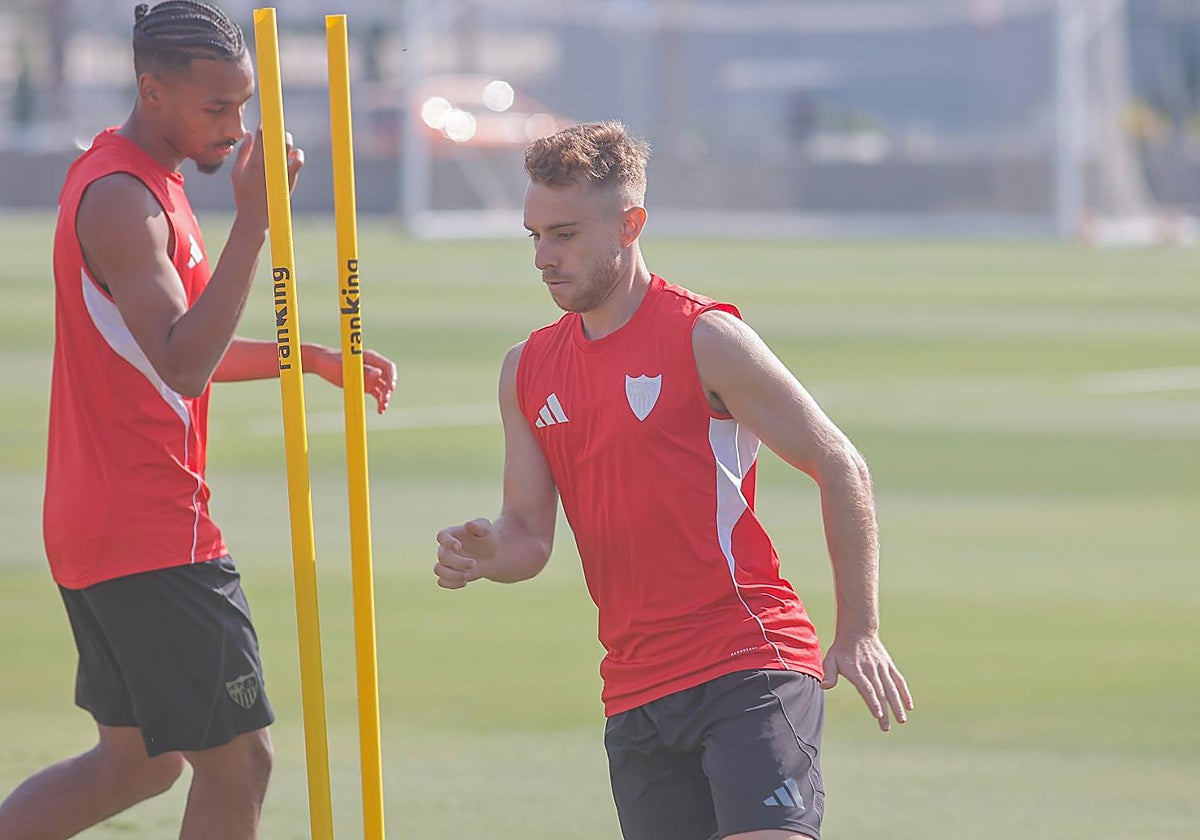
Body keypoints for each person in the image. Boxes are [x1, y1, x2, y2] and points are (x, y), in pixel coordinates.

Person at [434, 121, 912, 840]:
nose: (542, 257)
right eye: (533, 236)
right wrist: (487, 552)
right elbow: (529, 535)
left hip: (748, 661)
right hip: (635, 693)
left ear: (630, 225)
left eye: (563, 234)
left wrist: (860, 629)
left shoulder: (704, 338)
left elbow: (837, 462)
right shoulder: (526, 370)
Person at [0, 3, 397, 839]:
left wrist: (309, 357)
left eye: (243, 105)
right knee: (240, 759)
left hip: (102, 524)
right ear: (153, 92)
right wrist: (256, 221)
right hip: (150, 528)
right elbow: (182, 361)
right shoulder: (121, 200)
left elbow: (178, 346)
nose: (237, 128)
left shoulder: (148, 184)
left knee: (136, 762)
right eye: (217, 109)